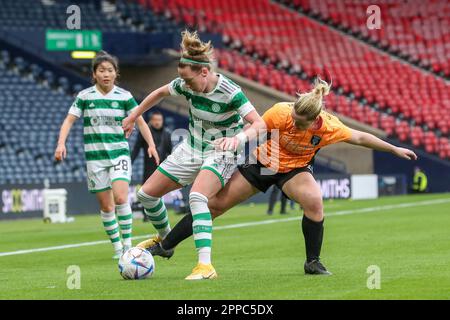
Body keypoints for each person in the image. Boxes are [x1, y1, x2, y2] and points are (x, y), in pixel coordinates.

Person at [140, 77, 417, 275]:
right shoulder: (282, 112)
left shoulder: (329, 127)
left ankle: (313, 262)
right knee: (214, 206)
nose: (293, 121)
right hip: (264, 161)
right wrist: (236, 140)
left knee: (315, 202)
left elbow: (359, 136)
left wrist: (393, 149)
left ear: (315, 120)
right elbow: (256, 128)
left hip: (296, 168)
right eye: (293, 115)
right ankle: (166, 246)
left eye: (299, 122)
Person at [122, 30, 265, 280]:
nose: (185, 86)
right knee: (146, 194)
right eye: (183, 81)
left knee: (198, 197)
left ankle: (205, 266)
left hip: (221, 151)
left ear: (205, 72)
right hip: (191, 148)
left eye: (189, 81)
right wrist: (134, 115)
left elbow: (259, 124)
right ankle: (167, 240)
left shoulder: (230, 91)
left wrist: (236, 139)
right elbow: (159, 93)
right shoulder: (186, 83)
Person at [54, 51, 159, 259]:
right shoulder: (85, 97)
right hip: (95, 158)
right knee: (106, 205)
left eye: (110, 70)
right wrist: (60, 144)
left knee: (121, 197)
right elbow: (68, 120)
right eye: (101, 70)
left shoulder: (124, 96)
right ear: (94, 74)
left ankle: (128, 245)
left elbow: (139, 120)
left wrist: (152, 145)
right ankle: (117, 247)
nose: (106, 74)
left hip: (119, 153)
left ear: (115, 73)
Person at [131, 111, 172, 221]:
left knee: (159, 192)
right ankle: (146, 215)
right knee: (146, 192)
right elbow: (136, 148)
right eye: (156, 120)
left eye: (160, 120)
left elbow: (171, 152)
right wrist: (130, 162)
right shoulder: (145, 133)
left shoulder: (167, 134)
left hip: (162, 168)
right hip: (148, 167)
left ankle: (159, 215)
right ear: (151, 121)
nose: (158, 122)